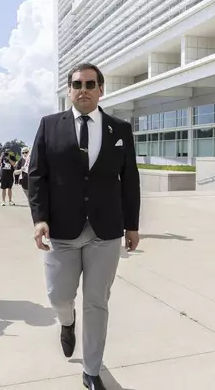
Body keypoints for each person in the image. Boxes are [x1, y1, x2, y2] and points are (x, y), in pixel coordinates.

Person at [28, 62, 141, 390]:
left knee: (96, 301)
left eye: (91, 84)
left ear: (101, 90)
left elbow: (129, 180)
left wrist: (131, 225)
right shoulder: (50, 126)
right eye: (78, 84)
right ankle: (67, 322)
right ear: (69, 91)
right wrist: (39, 219)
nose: (84, 90)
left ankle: (91, 370)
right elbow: (37, 175)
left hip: (105, 231)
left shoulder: (119, 129)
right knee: (59, 295)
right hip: (61, 231)